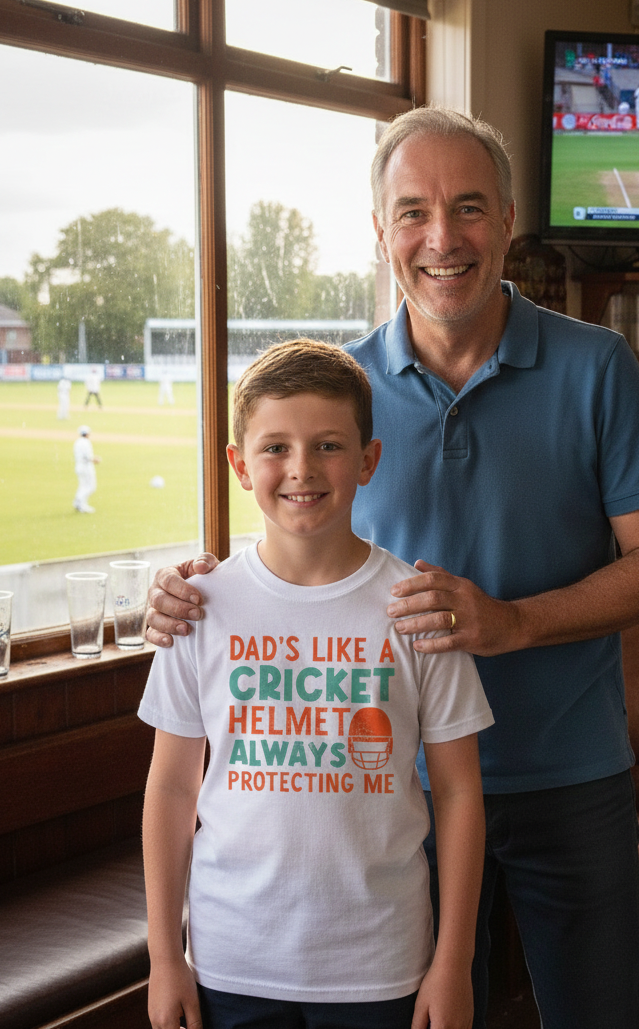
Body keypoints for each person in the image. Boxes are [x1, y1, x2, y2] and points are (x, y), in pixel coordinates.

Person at [147, 106, 639, 1029]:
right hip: (395, 797)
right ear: (380, 232)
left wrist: (512, 623)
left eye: (469, 208)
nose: (442, 238)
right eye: (412, 212)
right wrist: (184, 586)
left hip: (570, 771)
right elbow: (276, 553)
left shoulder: (597, 366)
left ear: (509, 220)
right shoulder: (341, 396)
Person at [140, 338, 493, 1029]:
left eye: (328, 445)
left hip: (381, 961)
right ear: (240, 465)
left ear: (368, 460)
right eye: (275, 447)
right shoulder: (198, 607)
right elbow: (172, 788)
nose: (301, 469)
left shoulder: (416, 607)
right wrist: (164, 955)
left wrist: (451, 962)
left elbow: (457, 791)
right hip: (231, 959)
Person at [73, 424, 100, 513]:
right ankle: (81, 504)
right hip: (86, 467)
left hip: (79, 466)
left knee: (83, 486)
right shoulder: (86, 442)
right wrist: (95, 459)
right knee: (91, 487)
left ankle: (77, 503)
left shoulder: (77, 442)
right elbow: (87, 457)